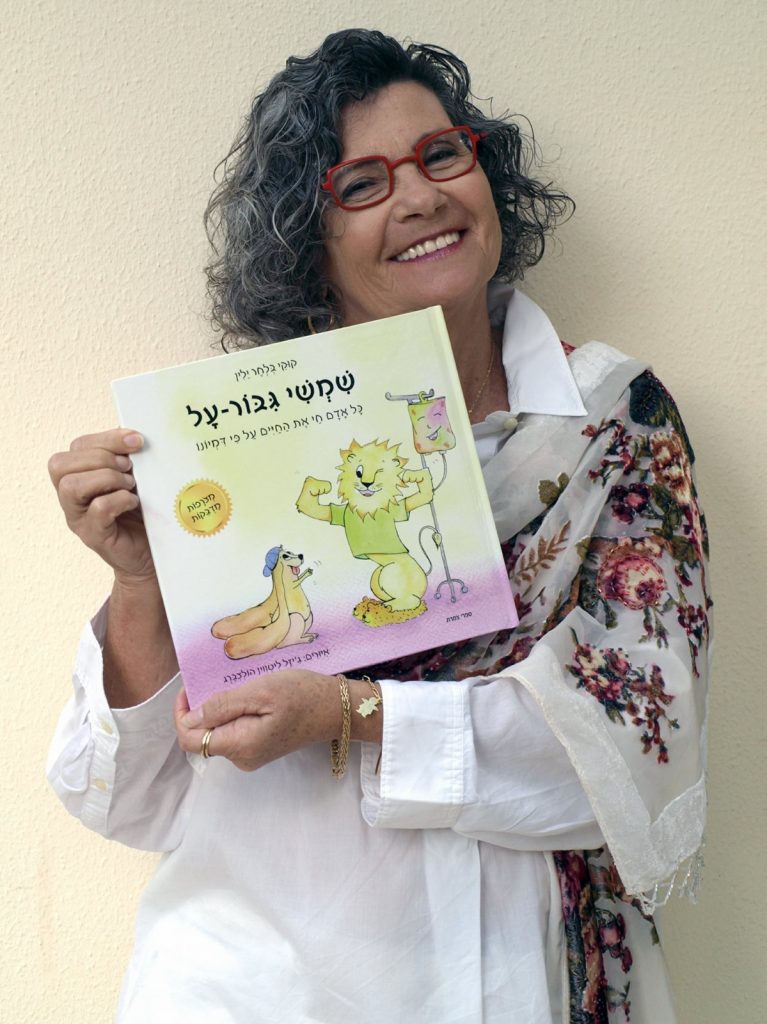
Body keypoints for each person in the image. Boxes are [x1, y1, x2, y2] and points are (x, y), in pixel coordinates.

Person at [47, 28, 710, 1024]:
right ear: (306, 240)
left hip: (512, 977)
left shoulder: (612, 420)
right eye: (359, 184)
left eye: (441, 155)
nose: (419, 197)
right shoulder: (230, 441)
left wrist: (350, 714)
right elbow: (128, 798)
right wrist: (143, 582)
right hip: (248, 980)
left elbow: (639, 747)